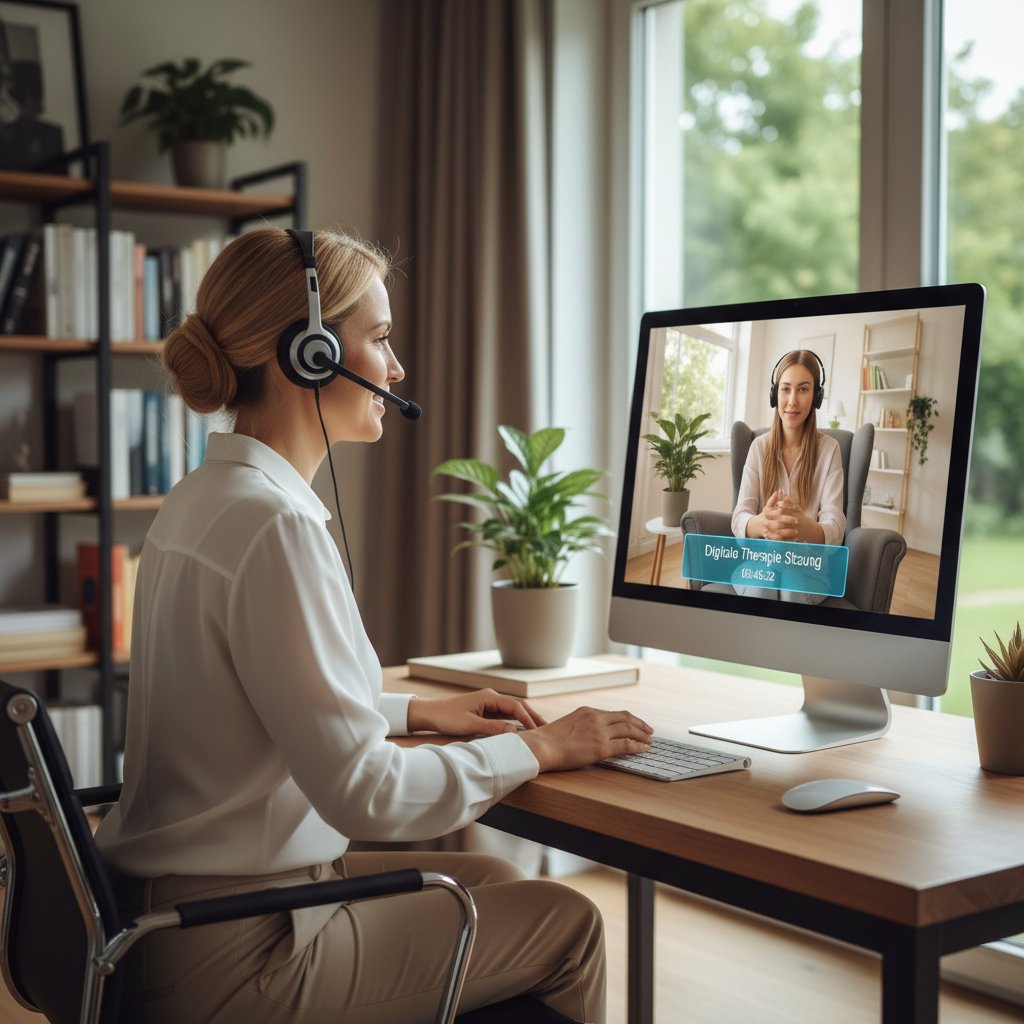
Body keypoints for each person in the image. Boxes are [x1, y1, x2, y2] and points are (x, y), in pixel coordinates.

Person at [94, 227, 653, 1024]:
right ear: (310, 355)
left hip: (168, 919)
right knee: (568, 923)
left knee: (494, 883)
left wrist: (416, 712)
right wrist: (542, 747)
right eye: (382, 338)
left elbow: (260, 697)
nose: (396, 369)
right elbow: (366, 795)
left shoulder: (203, 498)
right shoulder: (274, 528)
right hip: (239, 954)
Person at [730, 349, 845, 604]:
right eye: (785, 389)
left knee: (793, 586)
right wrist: (763, 523)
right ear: (775, 394)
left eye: (803, 389)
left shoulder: (830, 450)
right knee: (761, 587)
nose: (792, 400)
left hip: (808, 568)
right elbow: (740, 516)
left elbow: (836, 526)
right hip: (759, 562)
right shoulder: (758, 447)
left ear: (816, 397)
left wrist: (803, 527)